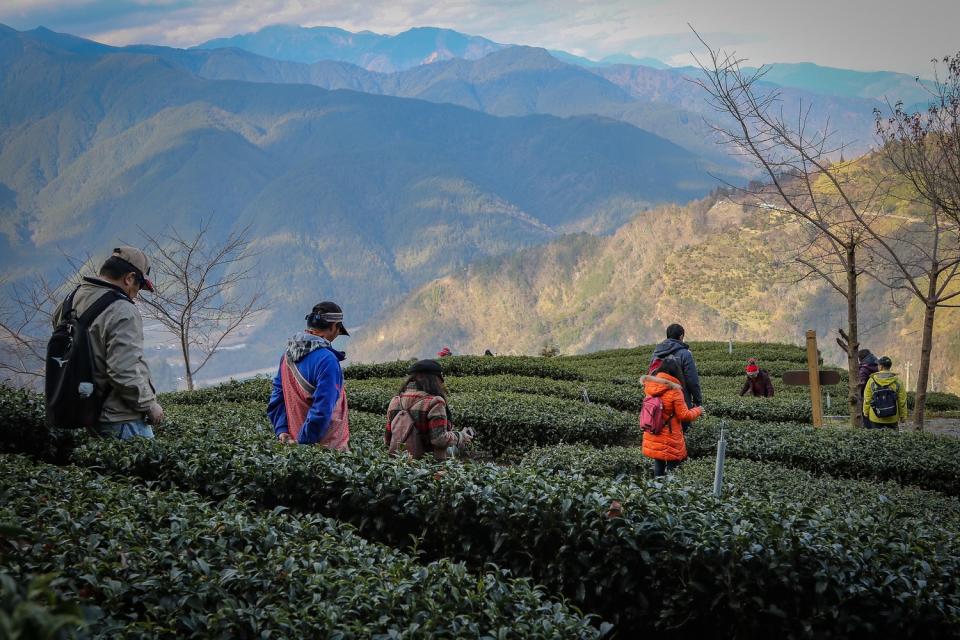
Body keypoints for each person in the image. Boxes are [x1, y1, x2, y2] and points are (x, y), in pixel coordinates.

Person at [50, 247, 164, 439]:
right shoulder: (122, 310)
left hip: (82, 410)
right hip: (121, 419)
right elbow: (123, 370)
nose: (136, 294)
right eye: (138, 286)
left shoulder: (72, 298)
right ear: (129, 278)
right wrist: (149, 405)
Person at [267, 301, 350, 449]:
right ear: (333, 327)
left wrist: (282, 430)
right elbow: (323, 409)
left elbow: (277, 399)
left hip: (294, 449)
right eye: (338, 328)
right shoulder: (327, 360)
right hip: (327, 452)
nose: (338, 333)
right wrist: (304, 442)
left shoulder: (286, 357)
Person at [384, 359, 473, 460]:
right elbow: (439, 439)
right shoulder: (434, 402)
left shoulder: (395, 400)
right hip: (426, 466)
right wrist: (460, 436)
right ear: (434, 380)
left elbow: (387, 440)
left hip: (400, 464)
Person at [641, 358, 704, 477]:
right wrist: (698, 410)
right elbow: (684, 415)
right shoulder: (675, 391)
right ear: (676, 372)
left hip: (653, 430)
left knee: (658, 462)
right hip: (669, 434)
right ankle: (670, 493)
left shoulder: (650, 386)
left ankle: (656, 492)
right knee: (672, 467)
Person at [650, 324, 703, 412]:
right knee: (681, 424)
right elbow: (692, 381)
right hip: (680, 400)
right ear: (681, 336)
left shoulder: (657, 352)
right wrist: (698, 401)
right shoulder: (685, 354)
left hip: (658, 399)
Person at [863, 356, 907, 430]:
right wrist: (903, 416)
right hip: (892, 417)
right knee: (892, 439)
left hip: (875, 416)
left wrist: (866, 412)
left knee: (876, 439)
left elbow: (867, 399)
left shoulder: (872, 380)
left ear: (881, 367)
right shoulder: (897, 381)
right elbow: (902, 401)